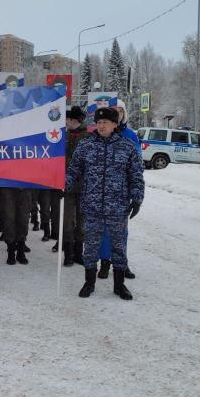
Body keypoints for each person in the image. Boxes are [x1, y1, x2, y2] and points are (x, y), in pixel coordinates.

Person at [66, 107, 144, 300]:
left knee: (118, 247)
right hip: (92, 205)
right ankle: (89, 283)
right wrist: (62, 185)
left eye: (105, 123)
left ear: (115, 125)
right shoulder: (86, 145)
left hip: (118, 206)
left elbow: (136, 175)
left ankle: (119, 285)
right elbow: (73, 170)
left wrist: (137, 198)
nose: (101, 126)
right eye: (99, 122)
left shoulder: (127, 147)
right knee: (91, 246)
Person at [98, 99, 143, 279]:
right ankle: (104, 262)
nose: (118, 114)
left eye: (121, 112)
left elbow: (137, 167)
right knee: (103, 231)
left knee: (121, 231)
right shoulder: (98, 136)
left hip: (121, 193)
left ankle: (121, 263)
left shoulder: (130, 136)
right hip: (100, 192)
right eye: (115, 111)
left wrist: (136, 195)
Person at [55, 106, 88, 266]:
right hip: (66, 187)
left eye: (67, 119)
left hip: (84, 187)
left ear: (73, 120)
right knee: (67, 221)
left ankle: (78, 253)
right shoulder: (62, 136)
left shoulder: (88, 137)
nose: (65, 121)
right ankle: (68, 253)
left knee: (82, 222)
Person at [0, 188, 32, 265]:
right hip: (8, 186)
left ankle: (20, 251)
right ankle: (11, 252)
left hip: (25, 186)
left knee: (23, 220)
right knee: (9, 220)